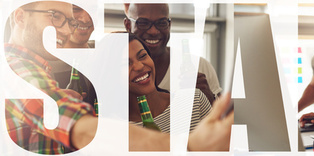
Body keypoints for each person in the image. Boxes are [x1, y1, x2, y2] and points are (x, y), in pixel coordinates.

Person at [4, 1, 234, 153]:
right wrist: (190, 146)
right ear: (20, 16)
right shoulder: (15, 72)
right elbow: (80, 128)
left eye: (68, 21)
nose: (65, 30)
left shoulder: (40, 72)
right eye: (55, 16)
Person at [124, 3, 221, 104]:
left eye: (161, 23)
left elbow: (224, 117)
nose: (153, 31)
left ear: (169, 25)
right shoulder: (117, 73)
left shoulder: (200, 66)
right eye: (143, 23)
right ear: (128, 25)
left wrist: (209, 100)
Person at [128, 34, 212, 133]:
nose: (139, 66)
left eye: (142, 56)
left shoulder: (195, 101)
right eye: (126, 63)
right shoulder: (113, 129)